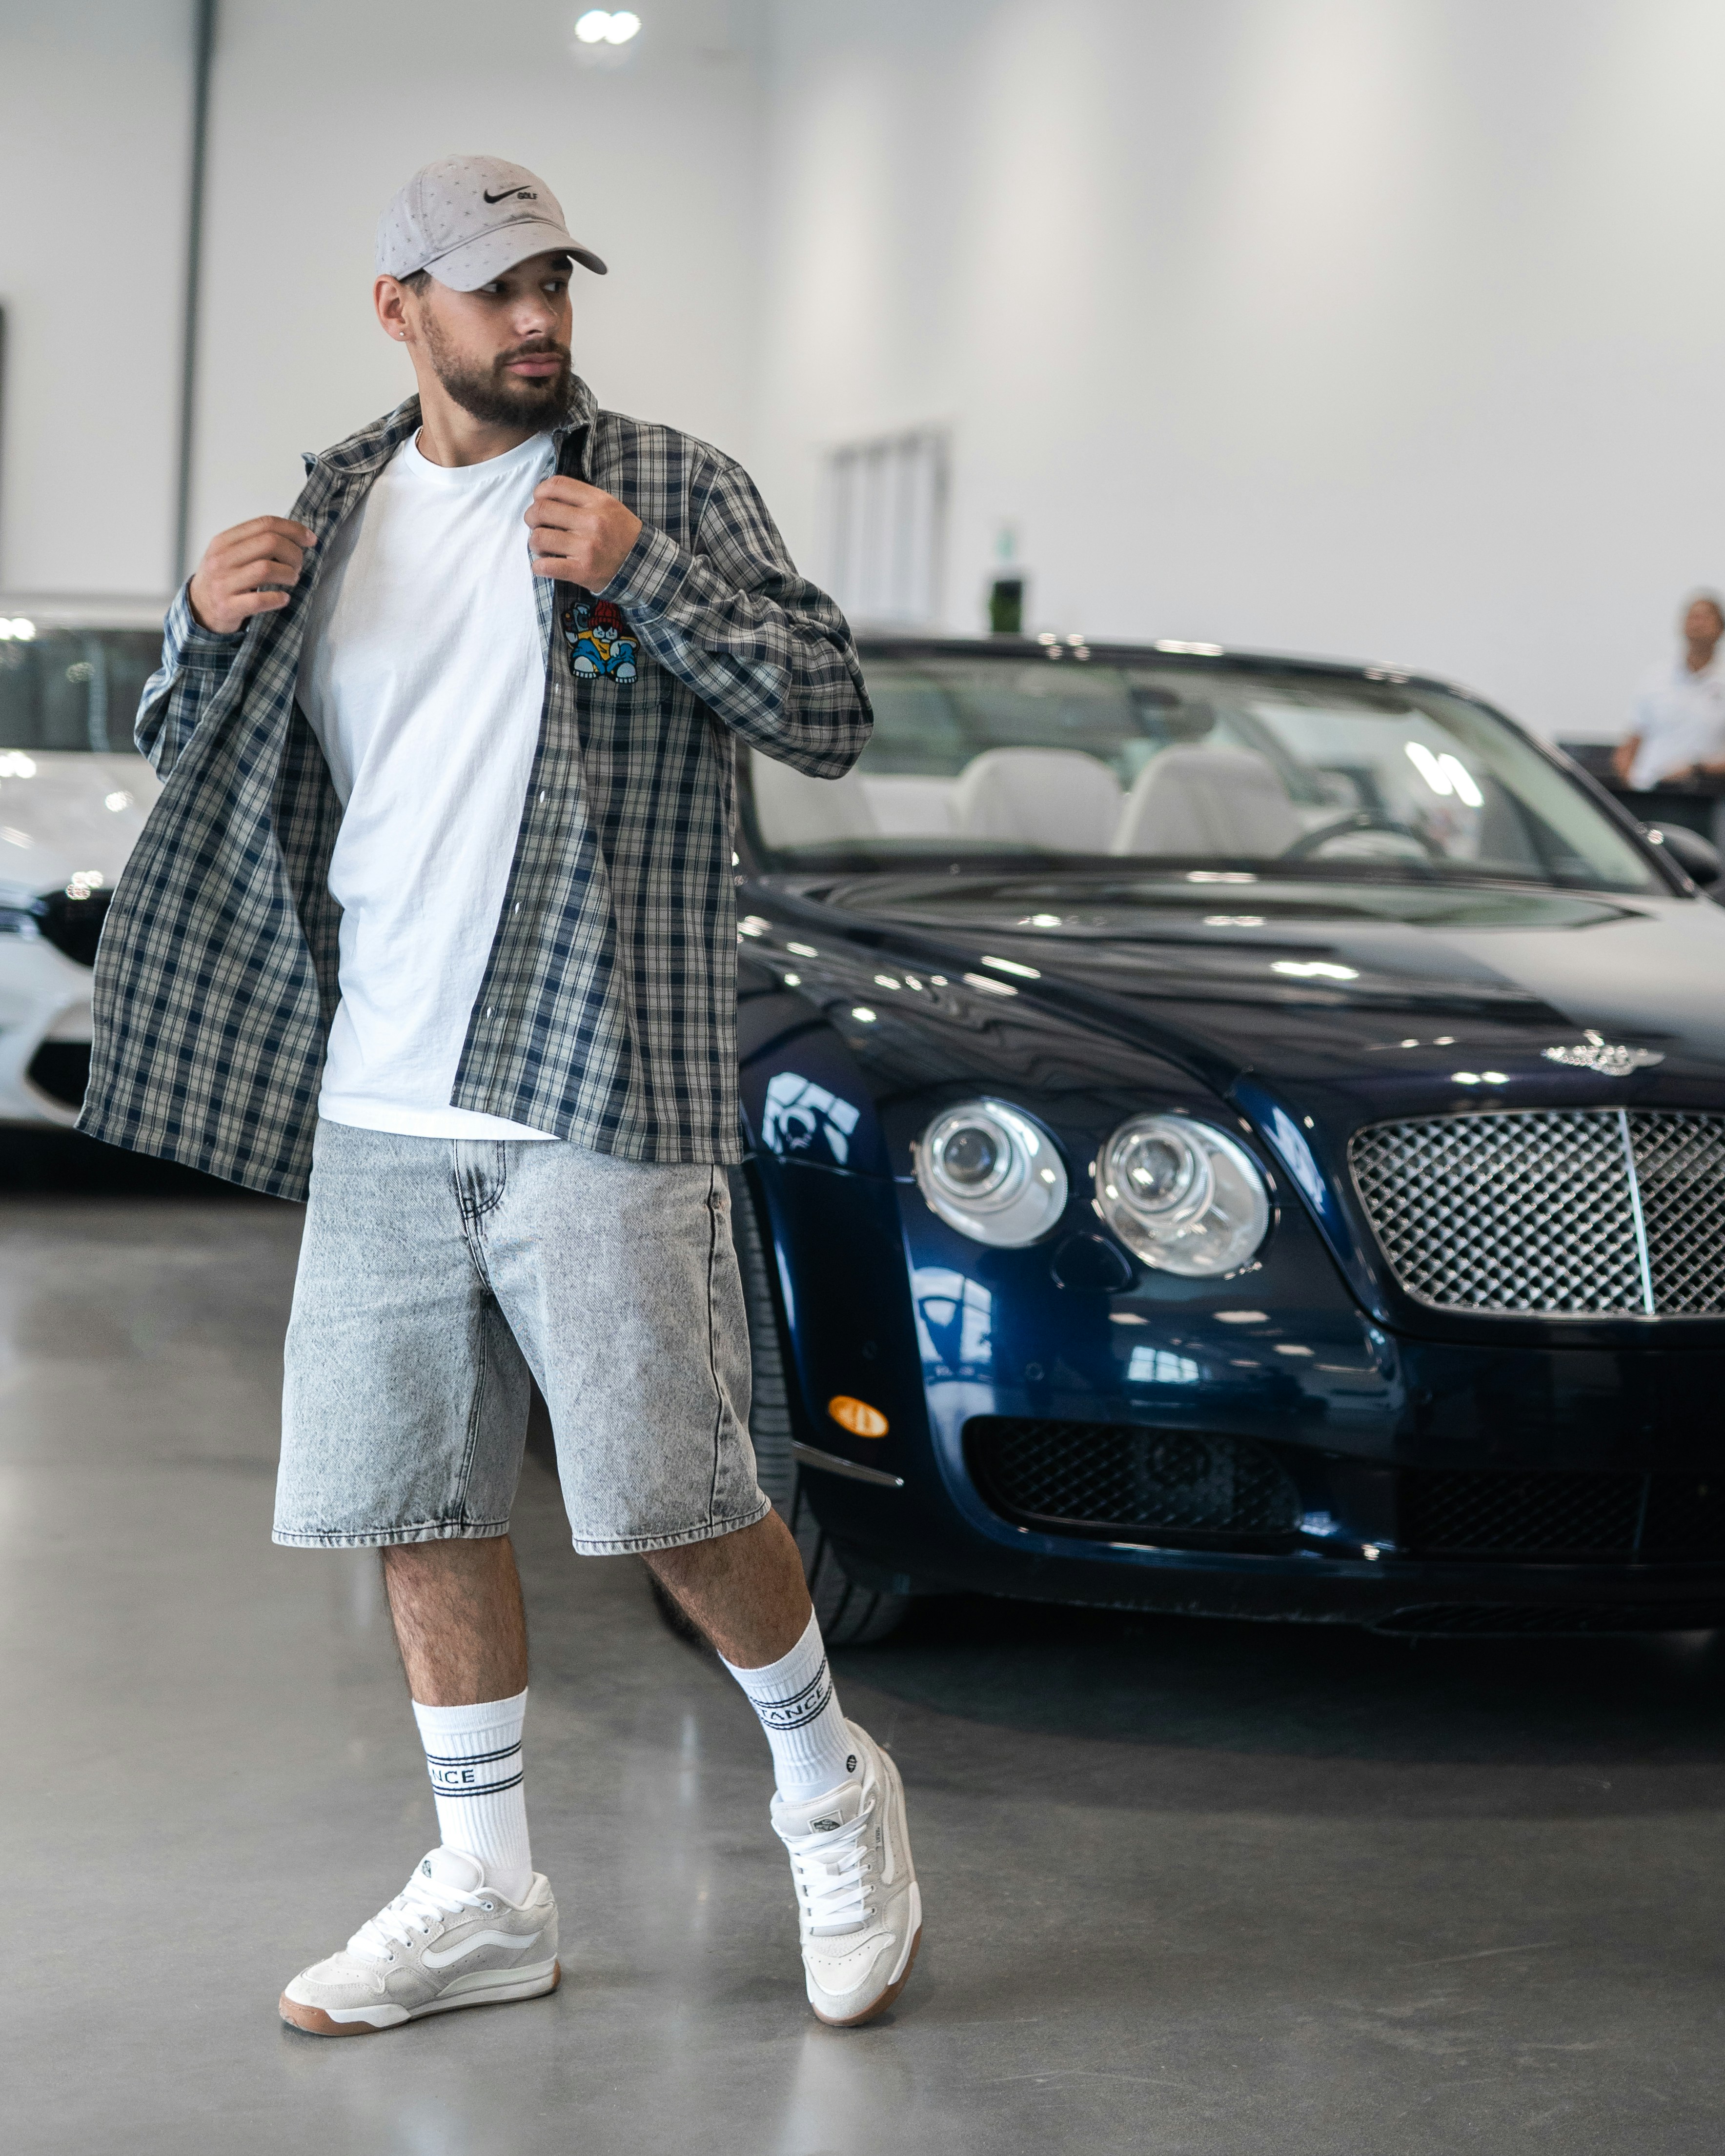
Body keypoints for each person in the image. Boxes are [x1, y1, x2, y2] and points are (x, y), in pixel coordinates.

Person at [79, 155, 921, 2036]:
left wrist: (644, 575)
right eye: (493, 289)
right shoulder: (327, 512)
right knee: (418, 1494)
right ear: (401, 308)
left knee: (677, 1495)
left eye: (554, 282)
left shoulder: (668, 485)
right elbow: (194, 751)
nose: (536, 318)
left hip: (596, 1076)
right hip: (379, 1092)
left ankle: (826, 1784)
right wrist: (194, 630)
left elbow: (828, 708)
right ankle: (486, 1888)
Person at [1615, 591, 1725, 790]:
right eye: (1693, 617)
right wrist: (1631, 786)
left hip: (1706, 797)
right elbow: (1630, 744)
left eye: (1706, 618)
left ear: (1720, 629)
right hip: (1649, 792)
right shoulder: (1655, 677)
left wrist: (1697, 769)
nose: (1698, 624)